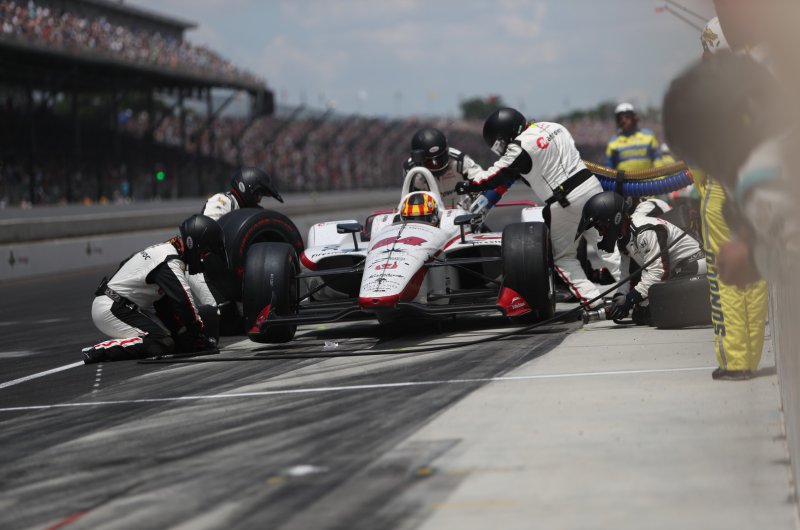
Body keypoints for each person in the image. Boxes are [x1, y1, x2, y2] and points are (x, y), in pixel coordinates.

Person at [664, 18, 773, 381]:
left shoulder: (708, 91)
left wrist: (698, 193)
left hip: (721, 190)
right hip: (758, 190)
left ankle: (734, 360)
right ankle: (750, 358)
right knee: (754, 275)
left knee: (723, 277)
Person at [457, 107, 606, 307]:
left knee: (563, 258)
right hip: (593, 188)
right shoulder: (554, 126)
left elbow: (492, 177)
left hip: (566, 202)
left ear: (505, 135)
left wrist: (467, 185)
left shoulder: (518, 147)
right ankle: (632, 293)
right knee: (608, 246)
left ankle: (594, 302)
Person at [81, 215, 227, 364]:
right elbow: (183, 302)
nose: (205, 258)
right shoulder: (169, 261)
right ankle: (99, 350)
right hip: (112, 308)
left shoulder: (165, 251)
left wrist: (183, 335)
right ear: (194, 245)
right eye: (205, 252)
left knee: (174, 341)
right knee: (160, 343)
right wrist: (199, 334)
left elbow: (164, 305)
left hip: (123, 305)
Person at [575, 191, 706, 324]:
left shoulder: (643, 230)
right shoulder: (623, 239)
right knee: (641, 314)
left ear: (613, 219)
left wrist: (629, 299)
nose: (600, 233)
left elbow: (659, 272)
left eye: (600, 227)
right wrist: (620, 297)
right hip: (676, 273)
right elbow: (626, 275)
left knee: (658, 312)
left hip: (694, 265)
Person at [403, 127, 481, 209]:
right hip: (431, 212)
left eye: (440, 159)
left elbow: (480, 179)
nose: (436, 166)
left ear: (446, 151)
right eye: (430, 162)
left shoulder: (460, 161)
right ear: (420, 160)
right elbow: (409, 200)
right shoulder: (412, 170)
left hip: (465, 210)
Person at [203, 166, 283, 221]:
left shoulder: (241, 208)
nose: (259, 201)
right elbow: (211, 229)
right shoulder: (222, 200)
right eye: (258, 195)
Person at [605, 103, 661, 173]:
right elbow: (609, 167)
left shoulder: (649, 135)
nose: (623, 120)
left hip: (649, 179)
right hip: (624, 180)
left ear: (634, 117)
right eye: (620, 118)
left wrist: (659, 176)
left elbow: (657, 159)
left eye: (627, 117)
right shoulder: (613, 141)